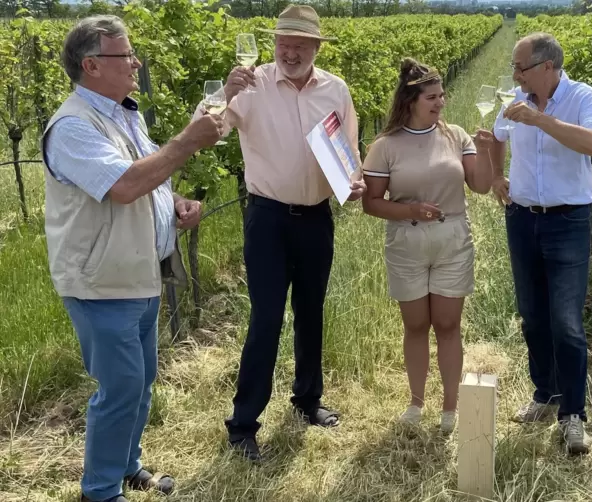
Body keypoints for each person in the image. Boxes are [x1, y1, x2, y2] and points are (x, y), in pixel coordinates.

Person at [42, 15, 223, 502]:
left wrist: (176, 201)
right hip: (103, 282)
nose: (136, 63)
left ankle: (127, 466)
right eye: (126, 55)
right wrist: (187, 141)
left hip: (141, 273)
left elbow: (146, 177)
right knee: (120, 389)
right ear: (92, 64)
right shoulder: (72, 127)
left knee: (141, 384)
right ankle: (99, 491)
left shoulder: (125, 112)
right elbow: (122, 187)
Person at [199, 4, 366, 461]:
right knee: (267, 318)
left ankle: (308, 401)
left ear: (315, 48)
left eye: (299, 45)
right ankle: (243, 424)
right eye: (283, 44)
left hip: (316, 217)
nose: (289, 52)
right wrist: (221, 96)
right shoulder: (249, 86)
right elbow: (208, 131)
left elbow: (349, 151)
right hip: (267, 218)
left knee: (311, 312)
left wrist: (355, 179)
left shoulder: (337, 89)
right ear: (273, 46)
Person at [488, 32, 592, 454]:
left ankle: (573, 414)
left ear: (547, 67)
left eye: (521, 67)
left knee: (567, 323)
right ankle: (546, 394)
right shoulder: (512, 99)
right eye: (515, 68)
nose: (515, 74)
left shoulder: (582, 97)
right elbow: (495, 137)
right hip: (521, 218)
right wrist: (497, 175)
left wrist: (541, 120)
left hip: (568, 221)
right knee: (532, 315)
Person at [361, 58, 494, 432]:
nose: (440, 104)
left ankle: (449, 409)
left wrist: (485, 150)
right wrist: (410, 210)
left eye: (442, 96)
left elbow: (481, 186)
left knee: (449, 324)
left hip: (453, 239)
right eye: (432, 97)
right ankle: (416, 404)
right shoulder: (386, 146)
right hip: (407, 241)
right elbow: (371, 203)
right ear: (411, 100)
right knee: (416, 326)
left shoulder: (457, 136)